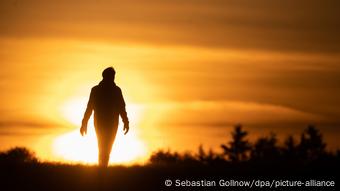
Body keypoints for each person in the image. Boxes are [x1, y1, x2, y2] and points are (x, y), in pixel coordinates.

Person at [80, 67, 129, 167]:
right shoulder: (96, 90)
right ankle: (102, 168)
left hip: (112, 123)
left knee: (107, 146)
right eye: (111, 76)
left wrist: (126, 122)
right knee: (102, 146)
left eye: (113, 76)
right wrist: (84, 123)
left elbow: (121, 107)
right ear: (105, 76)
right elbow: (89, 107)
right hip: (101, 123)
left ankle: (102, 167)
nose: (113, 78)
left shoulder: (116, 90)